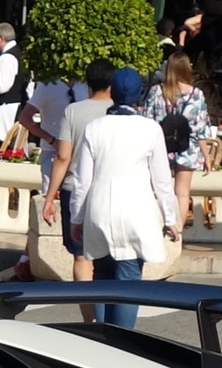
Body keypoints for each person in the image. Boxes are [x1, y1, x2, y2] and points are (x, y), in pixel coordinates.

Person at [71, 71, 179, 329]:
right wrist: (171, 217)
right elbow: (162, 180)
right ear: (139, 94)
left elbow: (81, 180)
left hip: (99, 208)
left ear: (111, 92)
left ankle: (101, 334)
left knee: (102, 275)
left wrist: (76, 217)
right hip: (136, 210)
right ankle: (121, 342)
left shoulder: (93, 128)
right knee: (129, 280)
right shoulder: (150, 129)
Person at [40, 60, 117, 310]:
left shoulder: (73, 111)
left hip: (74, 189)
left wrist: (50, 197)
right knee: (108, 256)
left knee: (81, 256)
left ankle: (89, 318)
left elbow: (62, 156)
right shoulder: (121, 112)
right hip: (109, 189)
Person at [143, 51, 209, 232]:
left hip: (161, 146)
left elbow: (147, 120)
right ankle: (177, 231)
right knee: (182, 192)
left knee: (159, 189)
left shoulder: (157, 92)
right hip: (188, 147)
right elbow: (201, 128)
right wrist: (206, 156)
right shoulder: (197, 94)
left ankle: (160, 225)